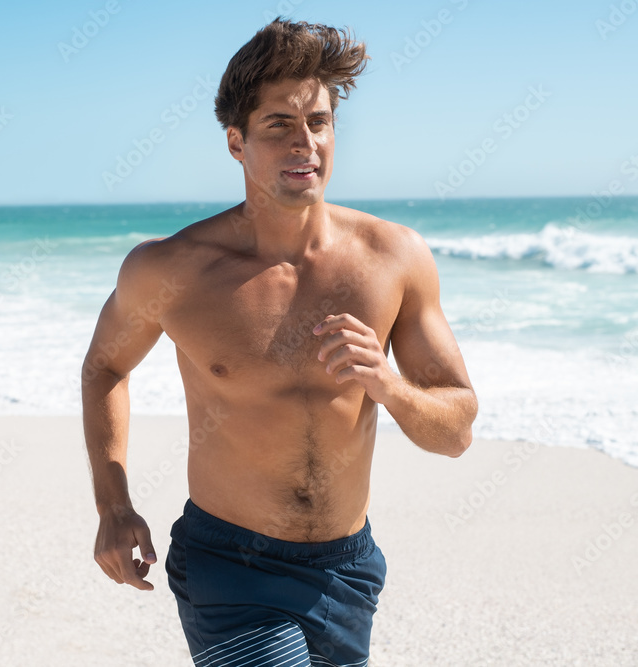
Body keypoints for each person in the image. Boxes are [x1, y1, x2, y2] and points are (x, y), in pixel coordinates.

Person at [82, 18, 477, 666]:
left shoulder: (393, 259)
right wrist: (113, 503)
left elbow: (456, 431)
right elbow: (104, 367)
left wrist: (389, 384)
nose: (306, 144)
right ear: (236, 142)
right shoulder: (173, 270)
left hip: (347, 570)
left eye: (318, 122)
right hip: (229, 567)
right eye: (279, 126)